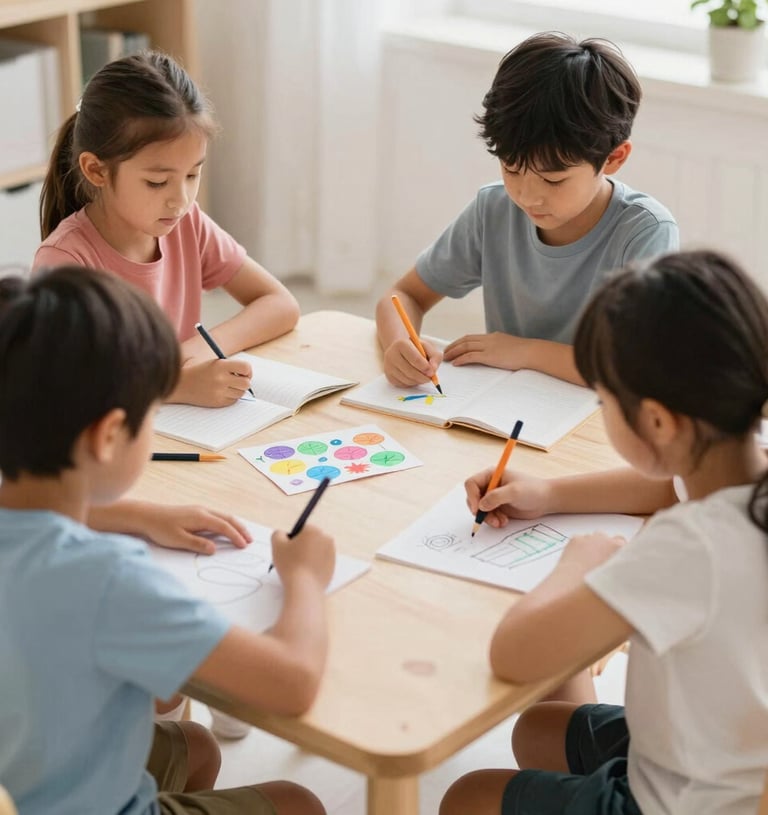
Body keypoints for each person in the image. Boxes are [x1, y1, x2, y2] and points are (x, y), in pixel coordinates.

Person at [439, 249, 768, 815]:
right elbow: (670, 486)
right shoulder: (742, 467)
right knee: (538, 729)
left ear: (658, 421)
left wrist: (578, 567)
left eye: (605, 400)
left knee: (466, 797)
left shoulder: (692, 546)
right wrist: (551, 493)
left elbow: (515, 654)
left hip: (687, 800)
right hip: (718, 745)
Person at [0, 265, 333, 815]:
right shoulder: (106, 581)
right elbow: (292, 684)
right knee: (298, 802)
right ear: (108, 436)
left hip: (19, 781)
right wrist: (304, 578)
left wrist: (133, 516)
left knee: (194, 748)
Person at [376, 31, 678, 388]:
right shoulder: (494, 209)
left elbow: (629, 368)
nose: (527, 196)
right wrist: (400, 342)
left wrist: (524, 351)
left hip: (599, 423)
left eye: (554, 181)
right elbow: (404, 295)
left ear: (613, 158)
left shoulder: (644, 232)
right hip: (507, 411)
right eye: (511, 169)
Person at [34, 51, 300, 408]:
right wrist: (173, 383)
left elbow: (280, 303)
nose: (181, 199)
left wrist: (198, 348)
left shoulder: (186, 224)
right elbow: (63, 387)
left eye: (192, 174)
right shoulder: (65, 260)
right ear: (96, 170)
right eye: (158, 182)